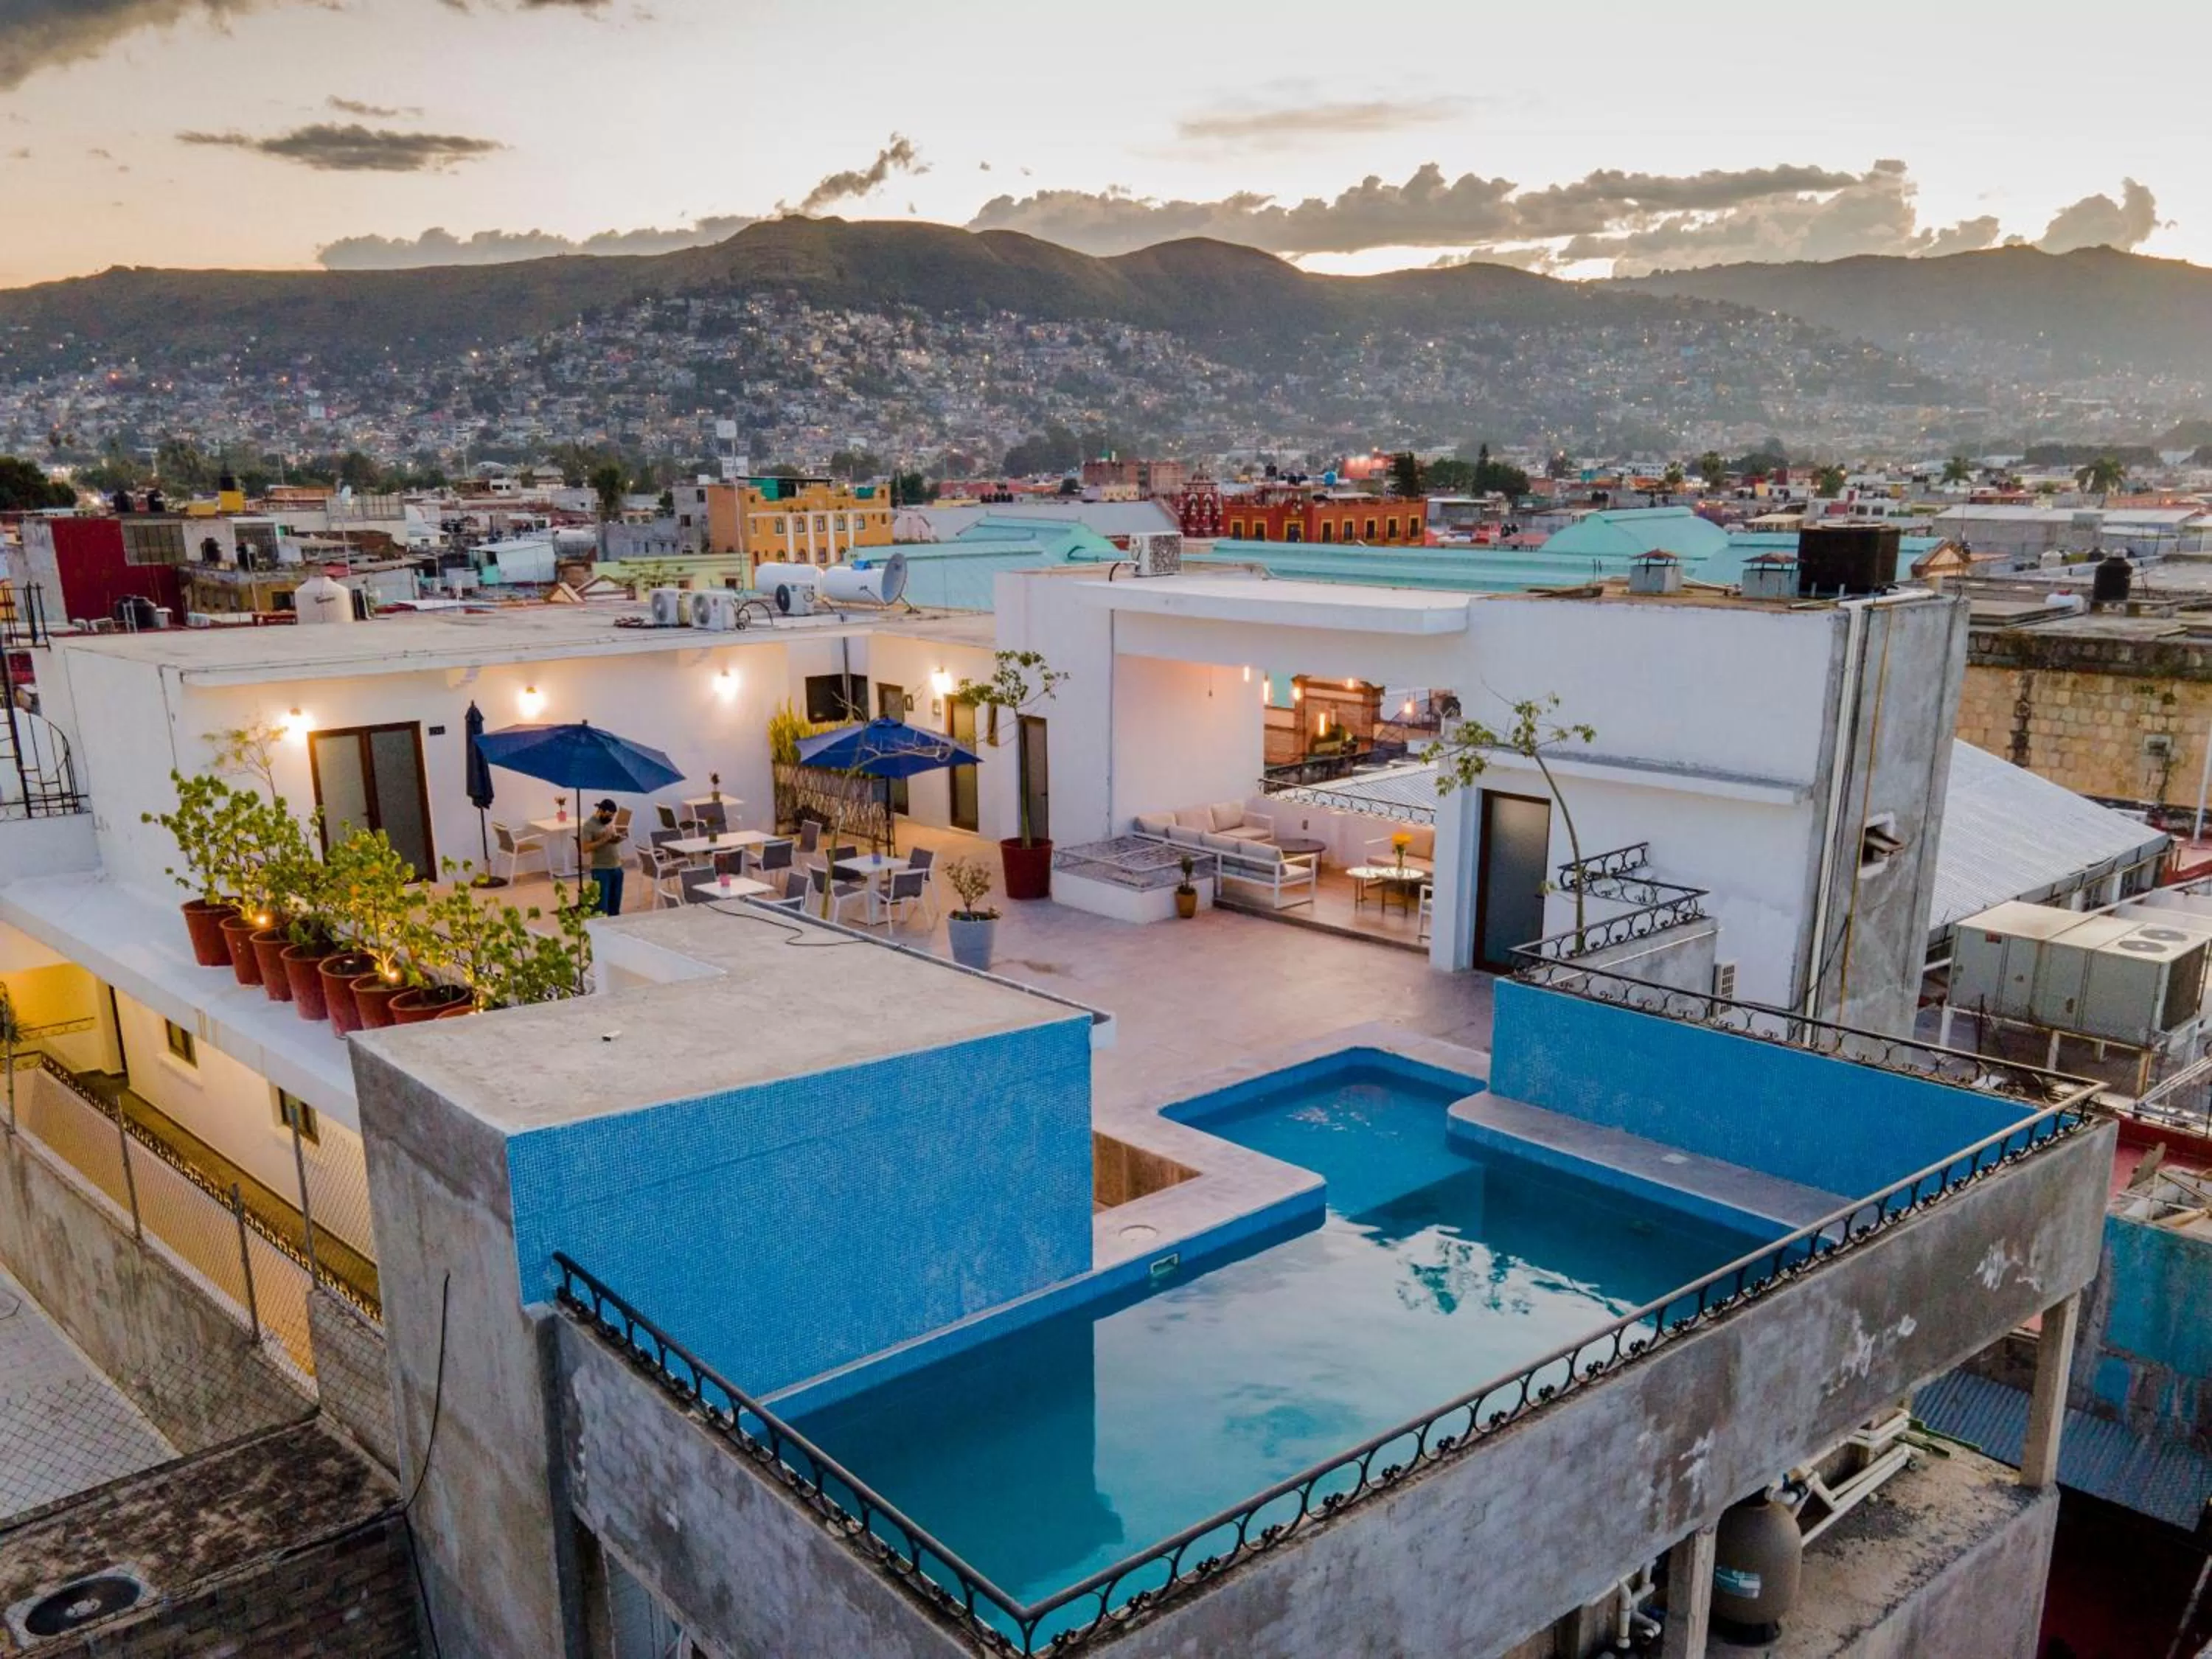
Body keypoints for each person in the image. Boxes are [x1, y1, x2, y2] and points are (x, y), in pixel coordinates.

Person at [580, 798, 625, 917]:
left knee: (615, 906)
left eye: (613, 816)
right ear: (600, 811)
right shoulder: (589, 826)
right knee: (601, 906)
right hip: (601, 869)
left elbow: (611, 838)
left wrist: (616, 838)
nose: (611, 819)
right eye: (609, 815)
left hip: (617, 867)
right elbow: (585, 848)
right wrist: (604, 840)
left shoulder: (609, 822)